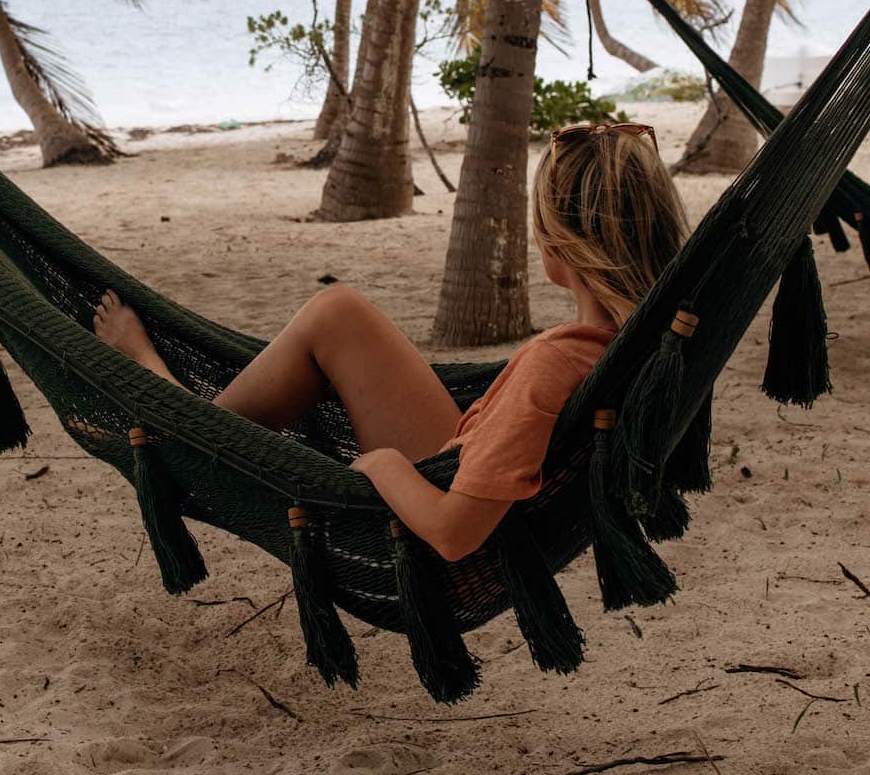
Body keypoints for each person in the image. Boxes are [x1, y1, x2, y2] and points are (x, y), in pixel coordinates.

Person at [90, 121, 688, 562]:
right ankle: (191, 422)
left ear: (557, 237)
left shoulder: (556, 362)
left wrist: (381, 465)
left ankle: (175, 418)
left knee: (334, 314)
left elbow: (454, 534)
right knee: (339, 313)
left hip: (439, 499)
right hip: (458, 456)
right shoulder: (634, 340)